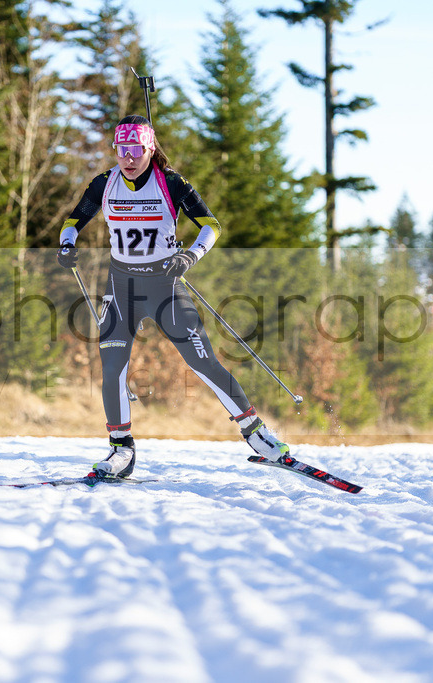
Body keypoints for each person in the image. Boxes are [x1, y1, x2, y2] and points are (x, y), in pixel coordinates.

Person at [56, 114, 290, 478]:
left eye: (135, 149)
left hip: (165, 287)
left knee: (203, 361)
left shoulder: (171, 182)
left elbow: (211, 225)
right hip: (121, 288)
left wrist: (190, 255)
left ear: (149, 149)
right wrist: (67, 245)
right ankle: (121, 450)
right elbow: (74, 221)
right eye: (121, 149)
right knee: (113, 369)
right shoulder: (106, 182)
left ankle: (257, 434)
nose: (127, 158)